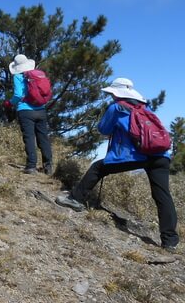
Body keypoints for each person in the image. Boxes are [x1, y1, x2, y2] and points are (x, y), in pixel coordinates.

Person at [56, 78, 178, 252]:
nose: (111, 96)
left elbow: (103, 129)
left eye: (111, 93)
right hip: (160, 155)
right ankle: (170, 241)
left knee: (98, 168)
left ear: (116, 93)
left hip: (135, 155)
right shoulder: (145, 107)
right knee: (163, 196)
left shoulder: (117, 107)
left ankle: (75, 199)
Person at [5, 54, 53, 175]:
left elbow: (18, 95)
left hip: (25, 111)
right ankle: (48, 167)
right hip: (41, 110)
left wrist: (9, 103)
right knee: (43, 138)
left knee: (29, 138)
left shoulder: (18, 76)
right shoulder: (37, 75)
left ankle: (31, 166)